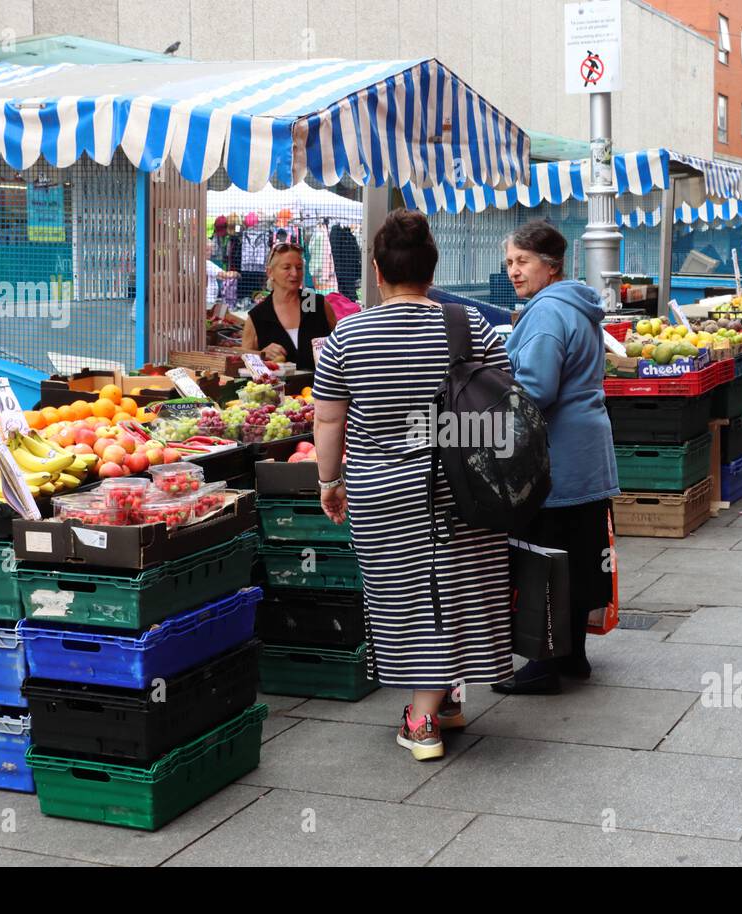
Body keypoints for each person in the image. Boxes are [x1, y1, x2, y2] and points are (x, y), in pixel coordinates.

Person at [313, 209, 514, 760]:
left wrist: (330, 481)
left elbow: (330, 421)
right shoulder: (471, 326)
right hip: (464, 487)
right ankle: (445, 698)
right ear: (433, 267)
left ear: (378, 271)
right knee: (456, 590)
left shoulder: (347, 334)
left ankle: (422, 720)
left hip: (383, 489)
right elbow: (503, 404)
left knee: (405, 595)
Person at [492, 220, 620, 695]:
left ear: (551, 266)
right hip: (587, 450)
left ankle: (544, 664)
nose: (513, 271)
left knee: (544, 555)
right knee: (580, 553)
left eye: (522, 261)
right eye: (509, 262)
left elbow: (538, 388)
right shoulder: (577, 305)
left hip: (556, 455)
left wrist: (497, 386)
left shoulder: (546, 312)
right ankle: (575, 658)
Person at [239, 242, 338, 370]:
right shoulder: (259, 315)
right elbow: (244, 359)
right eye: (286, 267)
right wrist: (261, 355)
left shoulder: (316, 303)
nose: (294, 273)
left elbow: (340, 344)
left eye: (299, 267)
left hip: (321, 387)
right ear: (270, 273)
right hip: (279, 388)